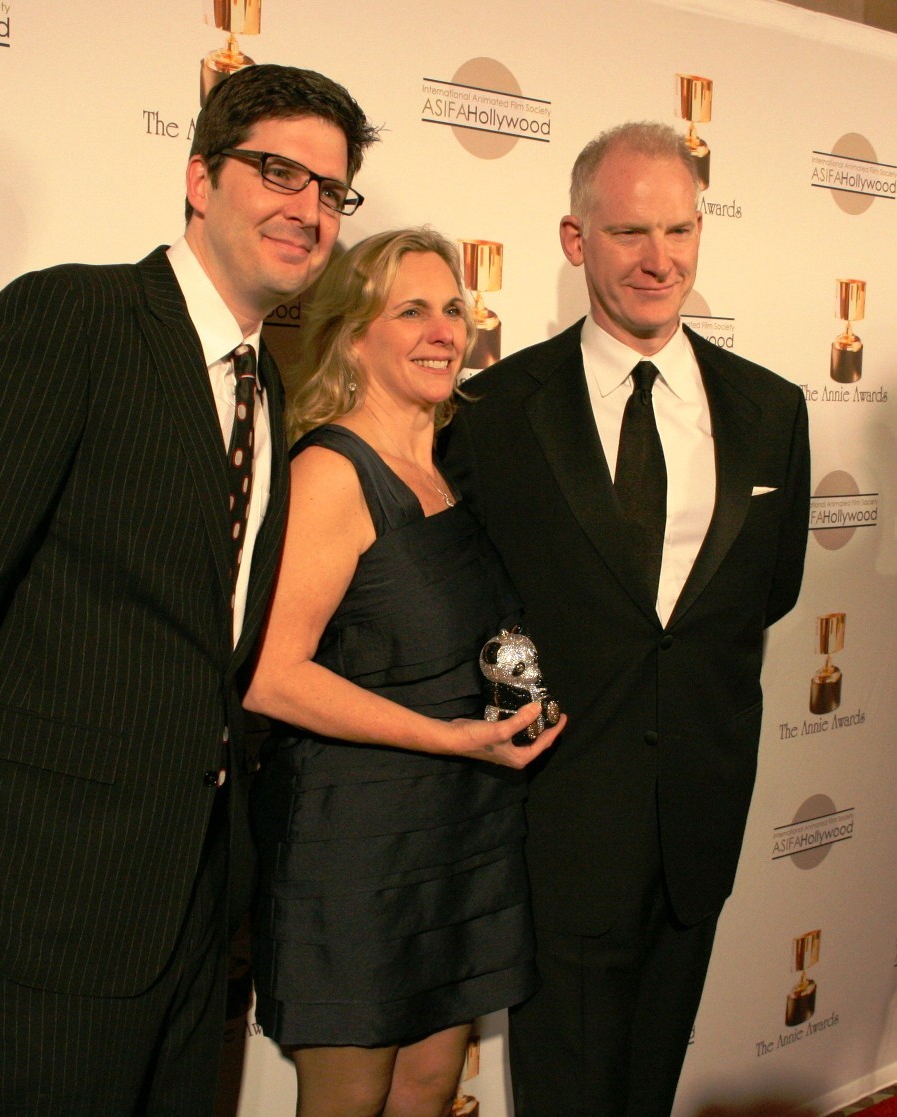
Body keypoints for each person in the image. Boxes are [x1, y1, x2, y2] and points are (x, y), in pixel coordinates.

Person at [0, 64, 378, 1117]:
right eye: (277, 170)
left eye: (329, 190)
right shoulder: (71, 319)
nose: (305, 207)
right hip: (44, 907)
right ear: (197, 178)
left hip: (189, 908)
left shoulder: (261, 381)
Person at [441, 121, 811, 1116]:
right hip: (553, 821)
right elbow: (471, 607)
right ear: (574, 240)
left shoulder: (770, 409)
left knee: (646, 1087)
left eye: (678, 231)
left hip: (697, 819)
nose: (659, 260)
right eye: (627, 234)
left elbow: (761, 595)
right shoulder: (494, 408)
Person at [243, 227, 565, 1117]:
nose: (442, 330)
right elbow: (270, 674)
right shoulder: (330, 472)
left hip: (461, 831)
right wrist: (446, 735)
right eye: (411, 310)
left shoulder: (444, 467)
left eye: (453, 309)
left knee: (426, 1089)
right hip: (357, 846)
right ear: (353, 336)